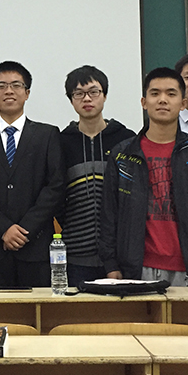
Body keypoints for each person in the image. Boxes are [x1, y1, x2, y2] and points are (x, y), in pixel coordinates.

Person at [97, 68, 188, 286]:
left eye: (171, 94)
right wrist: (111, 264)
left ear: (183, 104)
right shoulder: (123, 153)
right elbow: (110, 214)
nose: (162, 100)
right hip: (136, 268)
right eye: (155, 93)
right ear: (144, 102)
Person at [0, 61, 65, 287]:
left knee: (38, 308)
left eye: (16, 85)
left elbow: (55, 186)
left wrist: (25, 230)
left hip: (36, 247)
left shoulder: (47, 134)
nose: (9, 91)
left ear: (27, 93)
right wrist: (3, 229)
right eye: (1, 86)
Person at [59, 65, 134, 285]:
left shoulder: (126, 139)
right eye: (79, 93)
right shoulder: (61, 142)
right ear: (71, 100)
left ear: (105, 95)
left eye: (93, 92)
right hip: (75, 253)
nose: (87, 99)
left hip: (120, 254)